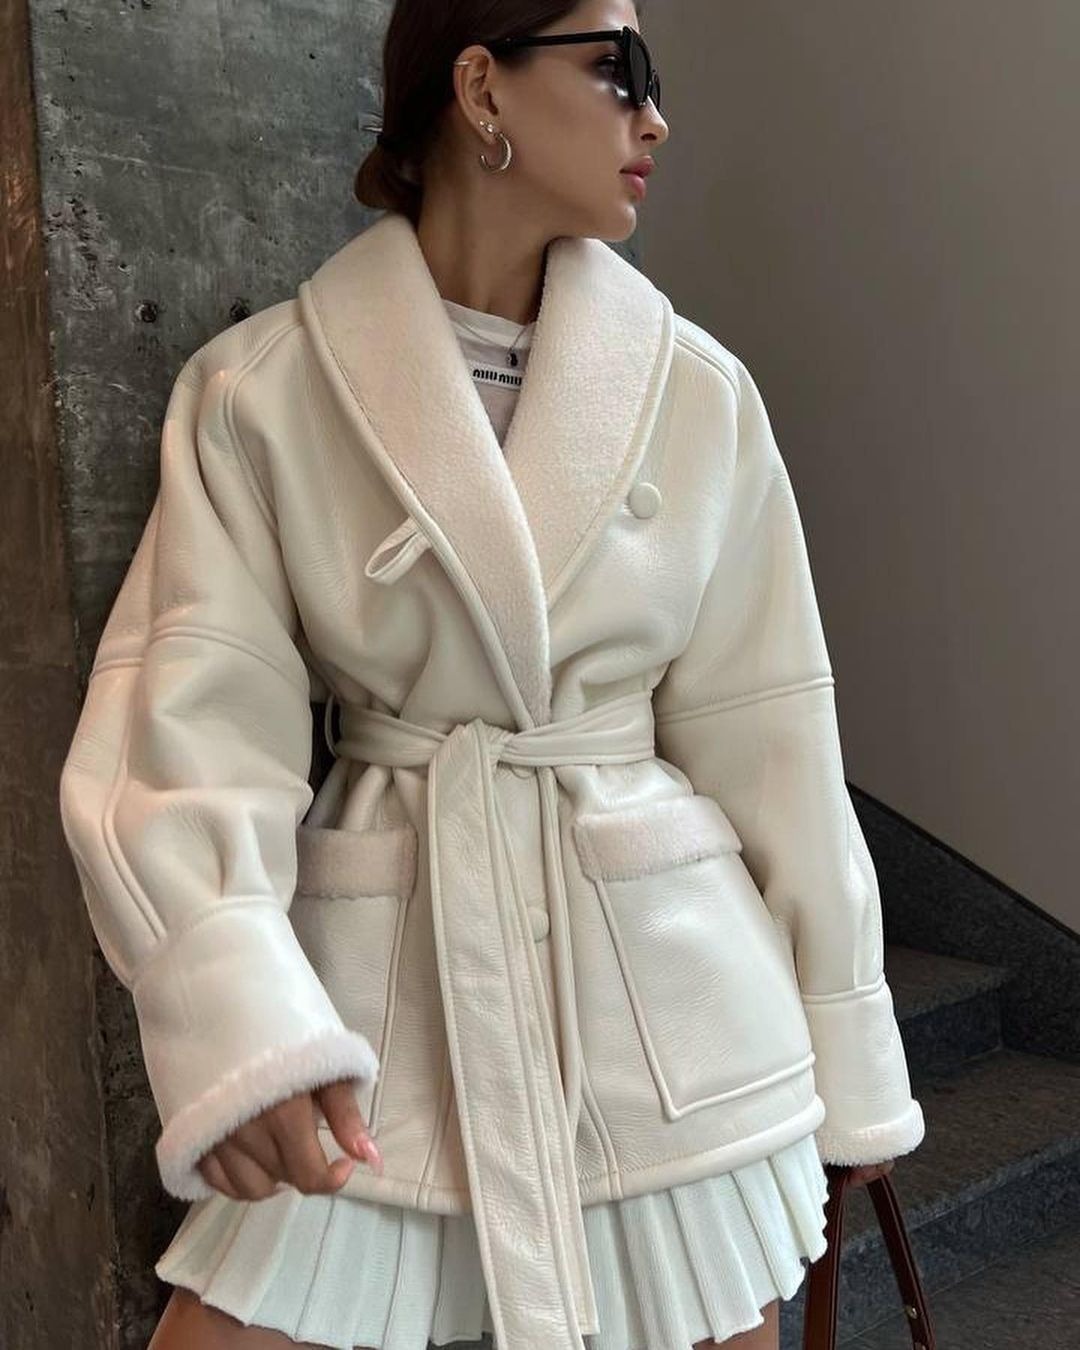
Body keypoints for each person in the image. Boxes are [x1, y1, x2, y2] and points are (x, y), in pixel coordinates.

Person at [59, 2, 924, 1347]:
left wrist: (847, 1057)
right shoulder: (265, 389)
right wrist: (230, 1006)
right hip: (386, 997)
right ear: (482, 86)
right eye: (618, 68)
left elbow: (775, 745)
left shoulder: (698, 393)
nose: (656, 118)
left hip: (670, 1014)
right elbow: (191, 724)